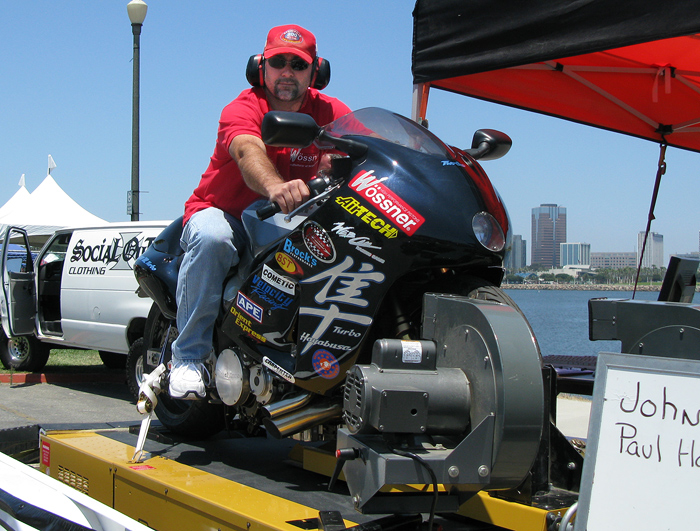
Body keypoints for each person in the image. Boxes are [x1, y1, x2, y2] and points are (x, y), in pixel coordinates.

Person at [169, 24, 352, 399]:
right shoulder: (242, 107)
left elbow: (365, 145)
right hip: (228, 214)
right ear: (261, 67)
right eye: (278, 63)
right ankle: (188, 357)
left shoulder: (334, 113)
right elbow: (247, 150)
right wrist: (275, 186)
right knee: (212, 238)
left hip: (289, 225)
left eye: (298, 65)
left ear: (315, 72)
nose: (288, 72)